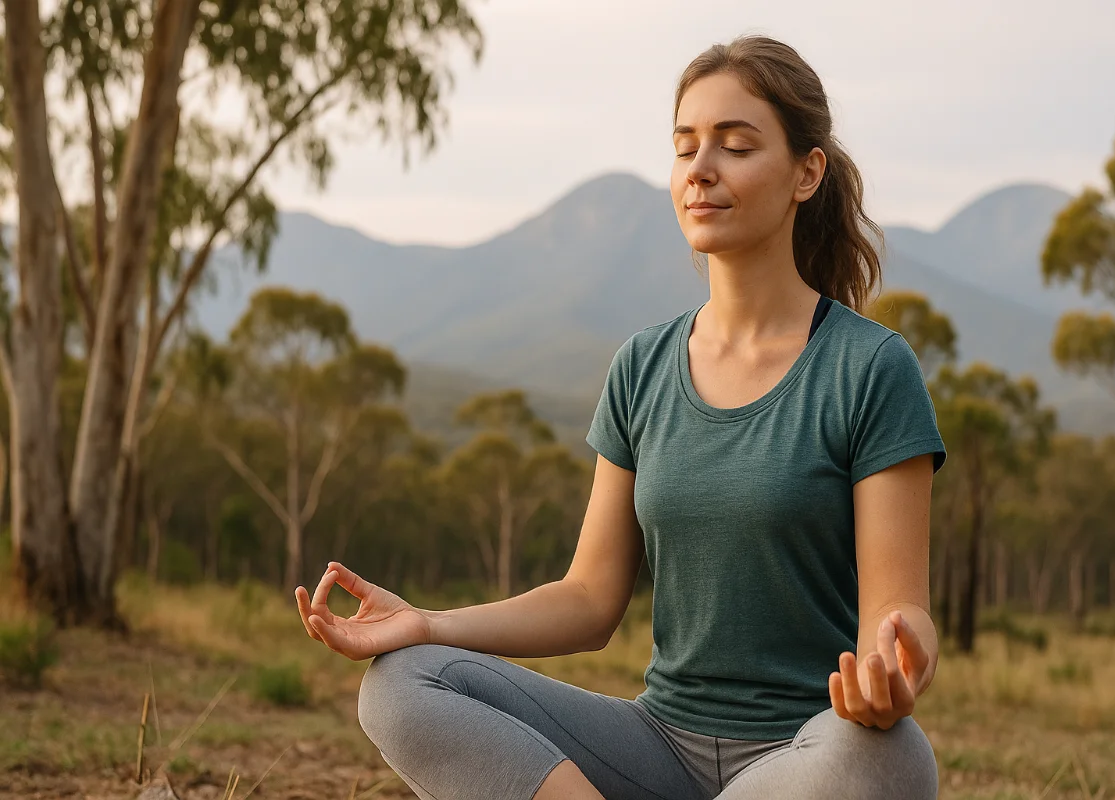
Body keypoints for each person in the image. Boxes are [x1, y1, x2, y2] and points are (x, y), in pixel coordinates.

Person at [296, 34, 945, 800]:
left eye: (735, 146)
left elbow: (900, 611)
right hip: (656, 747)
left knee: (891, 756)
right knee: (403, 682)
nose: (701, 169)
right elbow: (588, 600)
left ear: (808, 172)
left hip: (806, 754)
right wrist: (428, 623)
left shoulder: (869, 368)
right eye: (684, 147)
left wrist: (897, 666)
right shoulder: (642, 366)